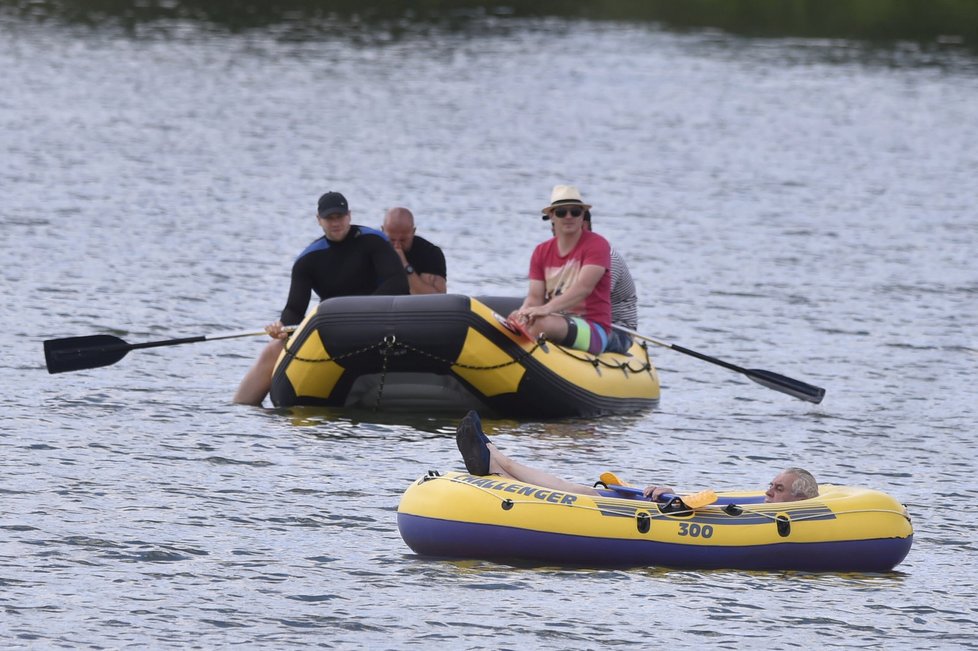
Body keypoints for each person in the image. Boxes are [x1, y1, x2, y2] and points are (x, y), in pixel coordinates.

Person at [233, 191, 410, 406]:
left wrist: (361, 310)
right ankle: (240, 409)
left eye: (340, 217)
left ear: (349, 216)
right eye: (329, 218)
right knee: (274, 348)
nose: (335, 223)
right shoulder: (307, 260)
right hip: (339, 328)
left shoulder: (374, 241)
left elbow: (397, 283)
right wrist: (281, 326)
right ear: (319, 220)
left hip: (382, 319)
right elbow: (294, 311)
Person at [455, 411, 819, 503]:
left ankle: (495, 461)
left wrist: (670, 495)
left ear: (799, 497)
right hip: (655, 503)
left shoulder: (767, 515)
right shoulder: (758, 503)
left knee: (581, 495)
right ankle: (496, 460)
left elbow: (716, 506)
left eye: (778, 488)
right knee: (579, 489)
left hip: (663, 510)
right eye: (771, 485)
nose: (769, 492)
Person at [509, 185, 612, 355]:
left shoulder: (597, 245)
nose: (569, 216)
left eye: (575, 212)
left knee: (541, 323)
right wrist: (523, 314)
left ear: (582, 216)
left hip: (593, 328)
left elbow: (582, 289)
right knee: (514, 318)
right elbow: (534, 297)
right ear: (551, 216)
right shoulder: (541, 251)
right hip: (556, 320)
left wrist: (546, 309)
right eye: (562, 212)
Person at [548, 210, 638, 354]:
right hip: (579, 320)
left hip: (616, 330)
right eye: (554, 225)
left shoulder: (608, 258)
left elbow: (587, 303)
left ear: (582, 226)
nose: (554, 231)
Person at [381, 207, 447, 295]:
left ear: (413, 232)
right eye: (391, 240)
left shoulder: (430, 254)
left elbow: (436, 300)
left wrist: (405, 267)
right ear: (382, 231)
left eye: (403, 240)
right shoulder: (369, 248)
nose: (397, 246)